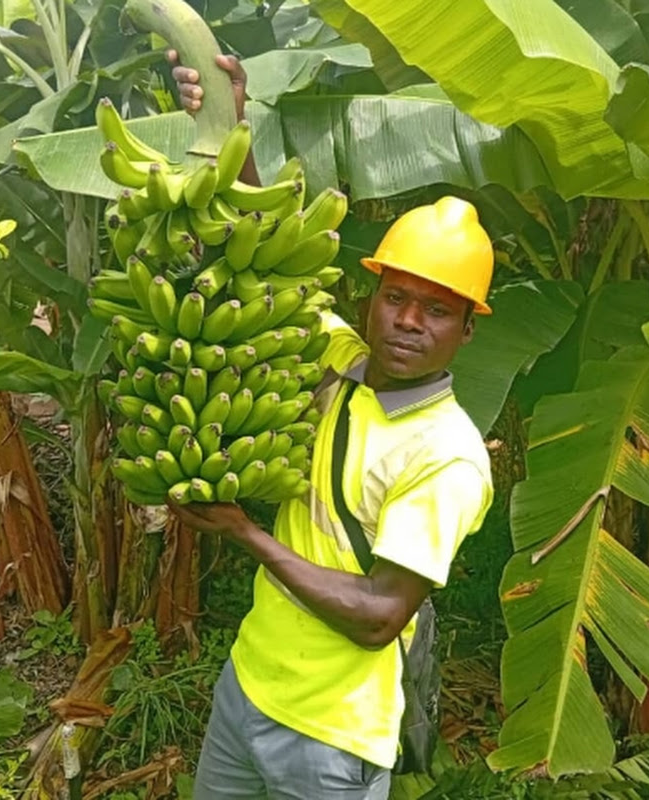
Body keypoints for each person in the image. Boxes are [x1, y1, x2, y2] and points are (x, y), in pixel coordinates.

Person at [167, 53, 495, 800]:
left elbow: (380, 614)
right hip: (246, 687)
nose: (409, 321)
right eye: (397, 297)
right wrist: (228, 119)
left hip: (333, 739)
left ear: (467, 330)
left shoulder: (448, 455)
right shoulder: (338, 359)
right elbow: (269, 262)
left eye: (438, 309)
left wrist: (243, 533)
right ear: (370, 297)